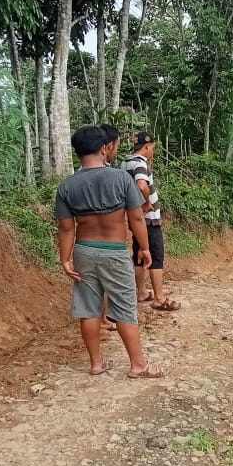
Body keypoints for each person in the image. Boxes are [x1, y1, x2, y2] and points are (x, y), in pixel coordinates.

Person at [55, 124, 163, 378]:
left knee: (89, 309)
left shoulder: (67, 186)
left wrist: (65, 259)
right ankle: (138, 365)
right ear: (104, 148)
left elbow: (66, 227)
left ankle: (96, 364)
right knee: (125, 307)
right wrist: (145, 248)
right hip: (114, 251)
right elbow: (136, 218)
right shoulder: (121, 179)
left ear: (77, 152)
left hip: (84, 251)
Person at [122, 129, 180, 313]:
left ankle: (141, 292)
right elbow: (141, 184)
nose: (153, 151)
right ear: (147, 147)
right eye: (152, 148)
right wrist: (147, 203)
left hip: (136, 217)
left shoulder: (126, 162)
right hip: (148, 218)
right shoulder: (139, 164)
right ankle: (159, 298)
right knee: (156, 256)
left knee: (139, 253)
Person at [99, 123, 121, 330]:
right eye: (117, 145)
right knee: (107, 279)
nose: (117, 150)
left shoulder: (82, 173)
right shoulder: (108, 175)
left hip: (88, 238)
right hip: (106, 236)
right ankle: (104, 317)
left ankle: (103, 316)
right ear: (108, 146)